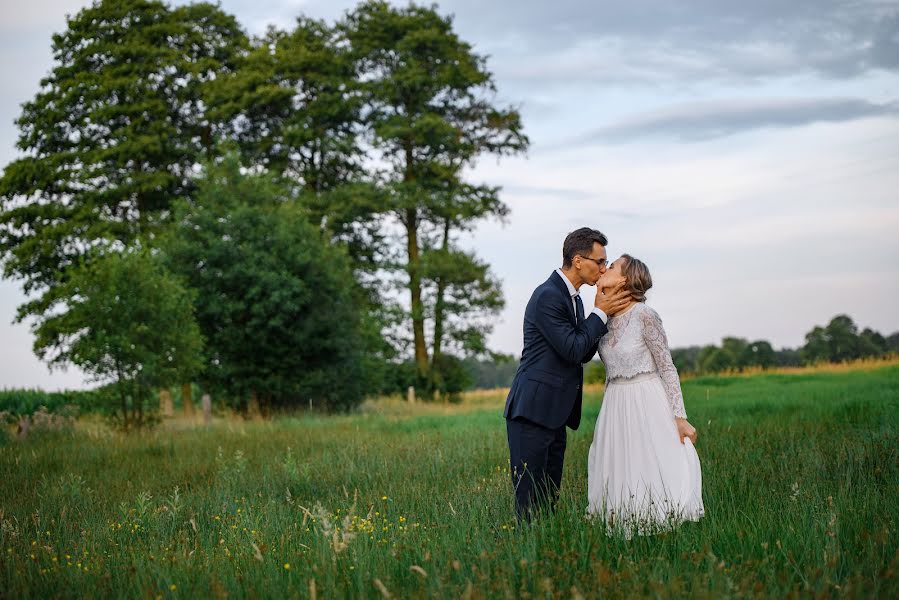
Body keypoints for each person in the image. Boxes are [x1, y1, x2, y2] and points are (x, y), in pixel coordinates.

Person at [504, 228, 632, 521]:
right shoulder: (548, 296)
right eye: (599, 262)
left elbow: (582, 352)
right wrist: (599, 312)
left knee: (548, 500)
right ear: (577, 260)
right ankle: (527, 558)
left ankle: (545, 557)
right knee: (529, 504)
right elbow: (574, 349)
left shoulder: (573, 298)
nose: (602, 269)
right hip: (532, 414)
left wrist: (603, 315)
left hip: (555, 415)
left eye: (605, 263)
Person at [586, 254, 704, 537]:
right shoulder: (603, 318)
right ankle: (621, 525)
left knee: (648, 462)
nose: (605, 268)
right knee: (617, 465)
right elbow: (608, 369)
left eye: (611, 266)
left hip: (646, 399)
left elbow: (667, 366)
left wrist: (679, 416)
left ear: (625, 279)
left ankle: (658, 526)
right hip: (614, 401)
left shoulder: (645, 315)